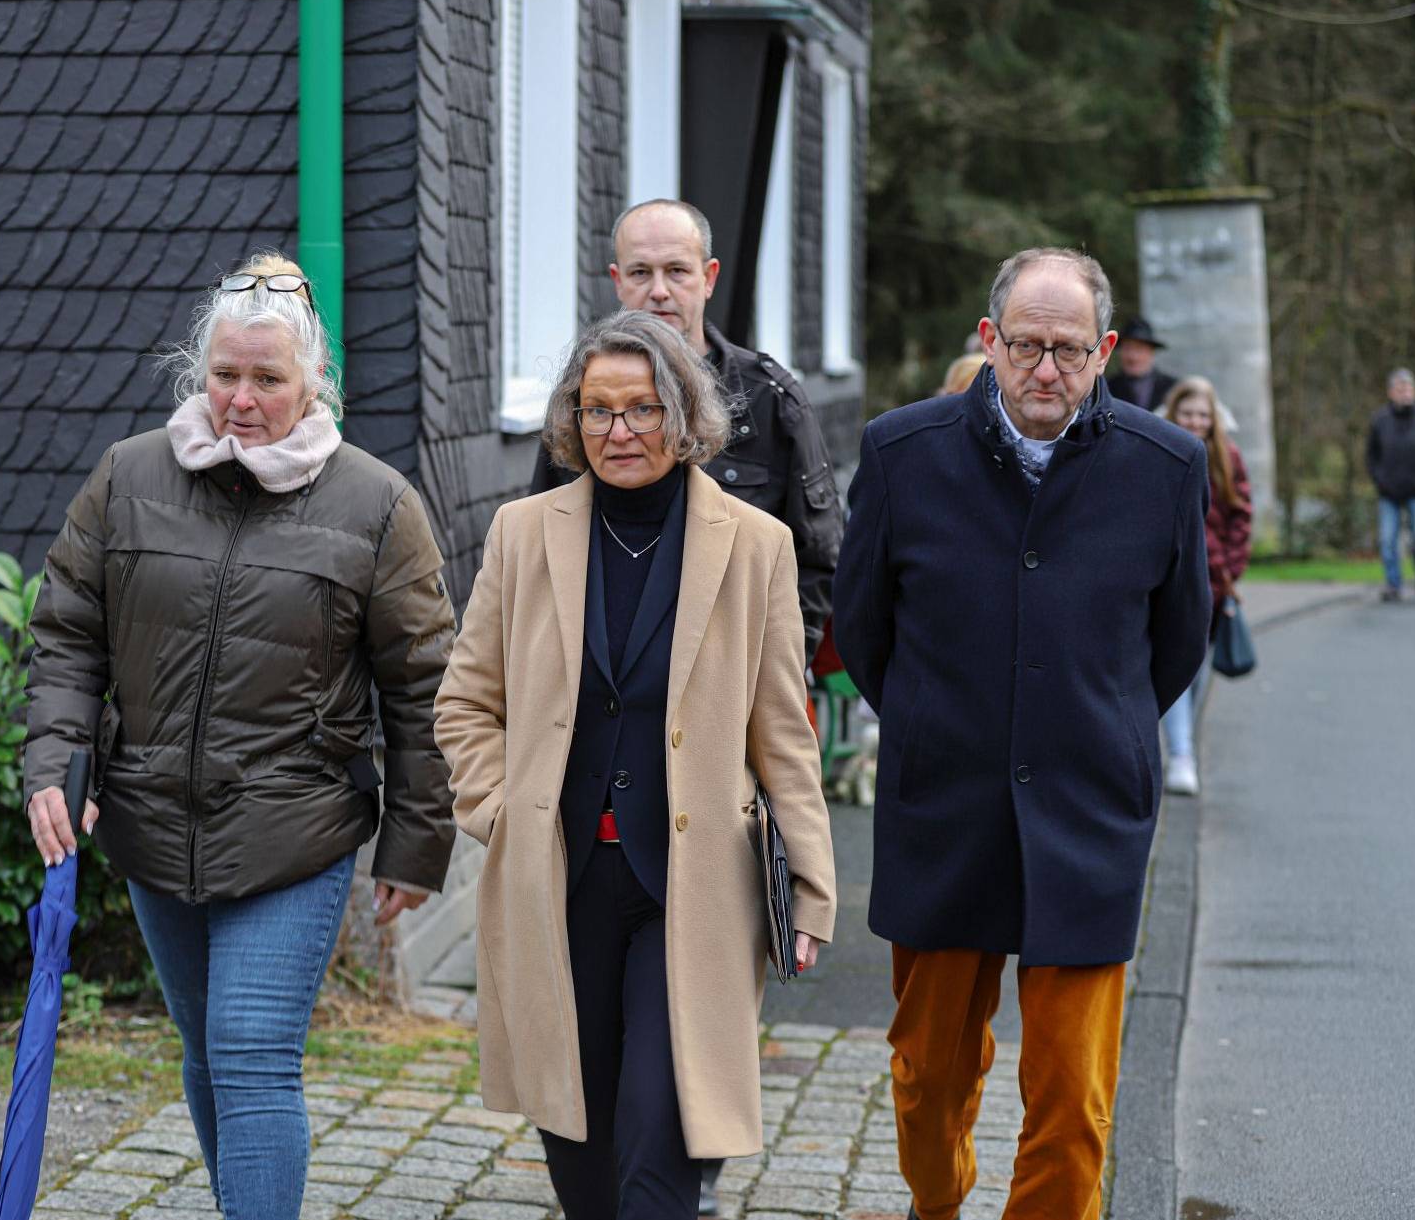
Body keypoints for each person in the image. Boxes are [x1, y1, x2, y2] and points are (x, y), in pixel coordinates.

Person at [22, 253, 459, 1220]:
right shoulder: (128, 476)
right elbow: (68, 636)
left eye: (268, 378)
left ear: (313, 382)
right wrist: (55, 763)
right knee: (206, 1051)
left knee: (253, 1052)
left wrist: (416, 841)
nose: (243, 400)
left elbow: (423, 686)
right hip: (151, 819)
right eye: (226, 374)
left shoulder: (377, 504)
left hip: (294, 827)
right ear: (200, 370)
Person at [834, 248, 1210, 1220]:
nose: (1047, 369)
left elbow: (1177, 640)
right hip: (944, 811)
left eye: (1069, 350)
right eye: (1027, 345)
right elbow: (863, 630)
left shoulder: (1166, 465)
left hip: (1088, 814)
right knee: (926, 1079)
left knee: (1073, 1101)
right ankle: (937, 1201)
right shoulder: (901, 453)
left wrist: (1097, 724)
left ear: (1105, 351)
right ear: (988, 339)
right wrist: (932, 721)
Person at [438, 310, 837, 1220]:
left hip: (693, 888)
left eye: (643, 409)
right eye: (598, 410)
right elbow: (464, 702)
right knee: (579, 1140)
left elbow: (783, 731)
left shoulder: (755, 545)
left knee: (662, 1135)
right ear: (572, 420)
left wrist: (811, 887)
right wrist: (501, 809)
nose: (619, 430)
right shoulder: (522, 533)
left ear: (684, 415)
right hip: (558, 877)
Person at [529, 199, 842, 662]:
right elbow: (544, 539)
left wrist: (767, 670)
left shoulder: (769, 400)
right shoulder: (582, 392)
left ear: (709, 277)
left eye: (677, 271)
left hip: (731, 679)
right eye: (640, 273)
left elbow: (817, 559)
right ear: (617, 281)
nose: (659, 291)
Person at [1157, 377, 1253, 796]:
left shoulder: (1228, 458)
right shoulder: (1159, 452)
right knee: (1174, 664)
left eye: (1202, 415)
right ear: (1173, 413)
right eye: (1187, 413)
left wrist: (1230, 568)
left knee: (1196, 671)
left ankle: (1183, 748)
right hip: (1169, 581)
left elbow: (1241, 515)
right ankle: (1181, 754)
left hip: (1214, 588)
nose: (1195, 422)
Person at [1365, 368, 1415, 601]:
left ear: (1414, 391)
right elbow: (1371, 455)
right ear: (1391, 392)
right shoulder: (1380, 420)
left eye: (1408, 389)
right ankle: (1394, 584)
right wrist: (1379, 479)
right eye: (1400, 389)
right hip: (1388, 492)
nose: (1405, 393)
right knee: (1388, 540)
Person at [1103, 316, 1178, 411]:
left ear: (1151, 352)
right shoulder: (1107, 388)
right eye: (1127, 349)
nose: (1133, 357)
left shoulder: (1172, 387)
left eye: (1139, 349)